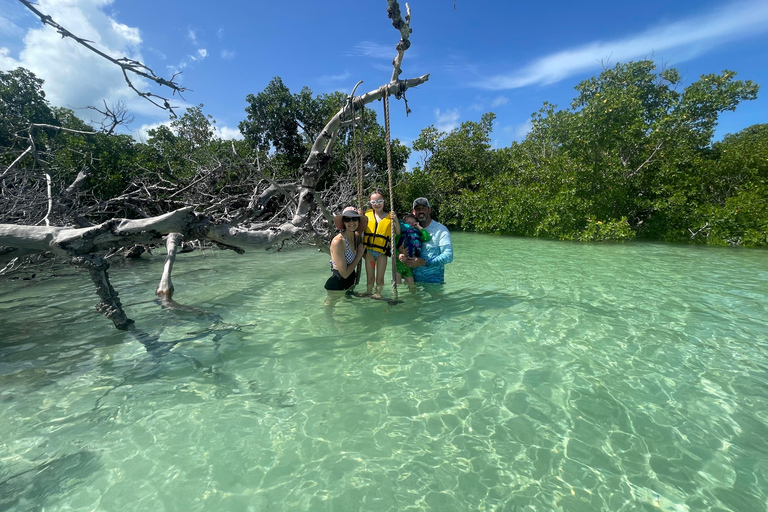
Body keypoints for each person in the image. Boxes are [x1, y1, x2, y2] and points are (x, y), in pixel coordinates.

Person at [399, 197, 453, 283]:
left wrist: (422, 262)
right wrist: (400, 255)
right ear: (413, 212)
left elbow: (448, 256)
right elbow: (396, 247)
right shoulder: (406, 230)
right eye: (417, 209)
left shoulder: (441, 230)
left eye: (423, 208)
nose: (421, 211)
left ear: (429, 210)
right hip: (412, 281)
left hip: (434, 282)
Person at [363, 189, 400, 298]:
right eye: (373, 202)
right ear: (370, 203)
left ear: (384, 201)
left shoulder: (390, 216)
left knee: (380, 278)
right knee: (370, 278)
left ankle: (378, 293)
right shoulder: (367, 214)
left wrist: (396, 219)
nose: (377, 204)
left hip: (382, 253)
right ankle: (369, 292)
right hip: (369, 252)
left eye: (379, 201)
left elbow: (397, 232)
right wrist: (359, 215)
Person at [324, 207, 367, 301]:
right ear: (343, 222)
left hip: (350, 282)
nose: (351, 223)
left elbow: (361, 230)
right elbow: (344, 274)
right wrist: (359, 255)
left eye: (355, 219)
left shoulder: (356, 236)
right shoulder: (338, 242)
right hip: (337, 285)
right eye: (347, 219)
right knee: (329, 309)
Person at [395, 213, 430, 290]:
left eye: (413, 223)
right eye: (408, 223)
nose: (411, 225)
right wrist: (399, 255)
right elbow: (392, 248)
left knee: (412, 287)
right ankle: (396, 299)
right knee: (397, 286)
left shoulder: (417, 233)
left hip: (410, 264)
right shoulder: (400, 234)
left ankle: (414, 301)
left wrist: (418, 226)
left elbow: (427, 237)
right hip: (399, 263)